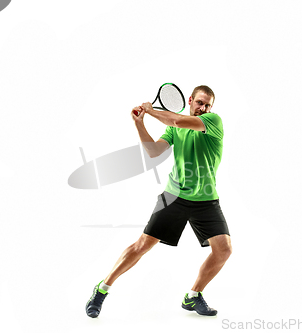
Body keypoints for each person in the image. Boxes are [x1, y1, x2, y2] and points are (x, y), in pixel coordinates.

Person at [86, 85, 231, 318]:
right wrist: (139, 123)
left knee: (223, 250)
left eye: (207, 105)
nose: (203, 108)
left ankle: (193, 296)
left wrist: (152, 111)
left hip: (206, 199)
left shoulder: (213, 121)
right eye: (200, 103)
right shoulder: (175, 128)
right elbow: (154, 152)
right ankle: (102, 289)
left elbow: (178, 122)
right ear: (191, 100)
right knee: (142, 246)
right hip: (174, 196)